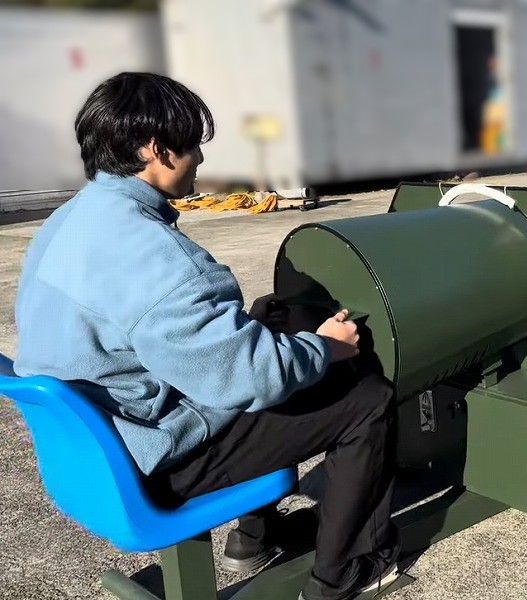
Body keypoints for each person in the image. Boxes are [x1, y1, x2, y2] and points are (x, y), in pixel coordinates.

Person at [13, 72, 400, 600]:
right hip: (151, 457)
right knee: (366, 398)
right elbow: (250, 380)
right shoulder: (158, 257)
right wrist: (326, 346)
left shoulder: (67, 221)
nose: (199, 159)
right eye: (193, 145)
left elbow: (155, 333)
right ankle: (346, 573)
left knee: (271, 328)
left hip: (88, 445)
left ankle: (255, 538)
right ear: (156, 150)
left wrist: (260, 330)